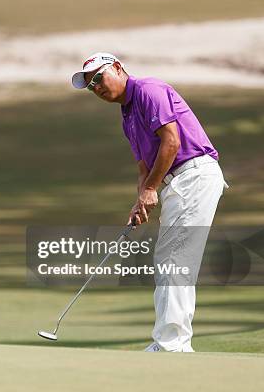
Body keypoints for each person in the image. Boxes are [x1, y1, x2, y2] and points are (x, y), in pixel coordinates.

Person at [71, 52, 229, 352]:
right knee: (170, 259)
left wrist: (151, 189)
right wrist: (141, 198)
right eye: (91, 86)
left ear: (117, 68)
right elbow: (144, 165)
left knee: (175, 259)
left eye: (98, 78)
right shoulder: (127, 116)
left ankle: (172, 344)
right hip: (178, 183)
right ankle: (173, 342)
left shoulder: (148, 90)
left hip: (193, 174)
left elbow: (172, 142)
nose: (97, 88)